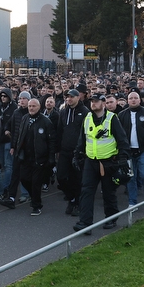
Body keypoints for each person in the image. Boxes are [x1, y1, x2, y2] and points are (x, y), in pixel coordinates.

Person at [73, 94, 130, 232]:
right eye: (92, 101)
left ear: (103, 103)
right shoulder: (87, 118)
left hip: (108, 161)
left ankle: (111, 218)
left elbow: (122, 139)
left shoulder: (112, 118)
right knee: (86, 191)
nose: (93, 103)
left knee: (108, 192)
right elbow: (82, 139)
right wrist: (77, 154)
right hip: (91, 161)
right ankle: (85, 222)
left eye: (96, 101)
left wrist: (123, 157)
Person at [9, 98, 56, 215]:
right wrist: (16, 148)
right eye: (30, 106)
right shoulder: (25, 118)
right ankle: (33, 196)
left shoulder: (46, 121)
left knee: (36, 183)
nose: (31, 108)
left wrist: (51, 158)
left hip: (39, 157)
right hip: (25, 156)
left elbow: (51, 141)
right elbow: (19, 135)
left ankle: (36, 205)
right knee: (24, 179)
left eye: (34, 106)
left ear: (39, 107)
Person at [117, 91, 144, 209]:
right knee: (131, 178)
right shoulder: (121, 115)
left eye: (135, 98)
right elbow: (118, 134)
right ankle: (132, 202)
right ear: (127, 100)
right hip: (129, 152)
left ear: (139, 100)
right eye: (131, 98)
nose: (133, 100)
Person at [56, 88, 88, 216]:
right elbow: (59, 130)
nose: (69, 99)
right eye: (67, 97)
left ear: (78, 97)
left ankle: (77, 203)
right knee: (61, 177)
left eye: (71, 97)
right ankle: (72, 199)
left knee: (77, 179)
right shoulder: (63, 111)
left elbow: (86, 132)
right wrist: (57, 148)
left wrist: (83, 150)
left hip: (78, 151)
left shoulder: (85, 112)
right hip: (64, 150)